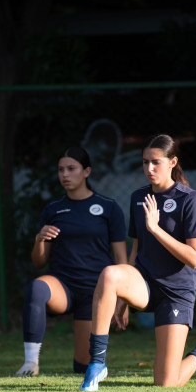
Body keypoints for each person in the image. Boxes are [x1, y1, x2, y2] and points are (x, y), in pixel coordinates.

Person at [80, 134, 196, 391]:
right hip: (144, 282)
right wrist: (121, 299)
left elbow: (195, 257)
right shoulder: (138, 198)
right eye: (145, 163)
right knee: (110, 275)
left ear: (172, 162)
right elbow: (136, 250)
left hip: (176, 292)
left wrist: (156, 229)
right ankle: (97, 363)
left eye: (156, 162)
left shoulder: (190, 199)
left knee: (166, 383)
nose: (149, 169)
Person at [17, 146, 127, 376]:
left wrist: (123, 300)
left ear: (87, 171)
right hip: (63, 287)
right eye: (60, 170)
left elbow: (121, 260)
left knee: (82, 368)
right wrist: (39, 239)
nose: (65, 175)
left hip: (94, 292)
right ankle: (31, 363)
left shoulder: (109, 208)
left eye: (71, 169)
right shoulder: (53, 209)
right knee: (37, 287)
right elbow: (39, 262)